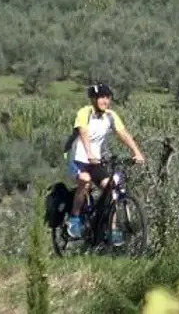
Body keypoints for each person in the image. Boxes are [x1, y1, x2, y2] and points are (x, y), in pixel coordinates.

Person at [65, 83, 145, 242]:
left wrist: (136, 152)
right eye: (101, 97)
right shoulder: (84, 113)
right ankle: (74, 218)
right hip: (77, 158)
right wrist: (89, 154)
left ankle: (111, 228)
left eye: (107, 97)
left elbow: (123, 134)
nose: (104, 100)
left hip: (96, 161)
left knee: (112, 188)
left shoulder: (110, 116)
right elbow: (84, 133)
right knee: (85, 181)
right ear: (93, 99)